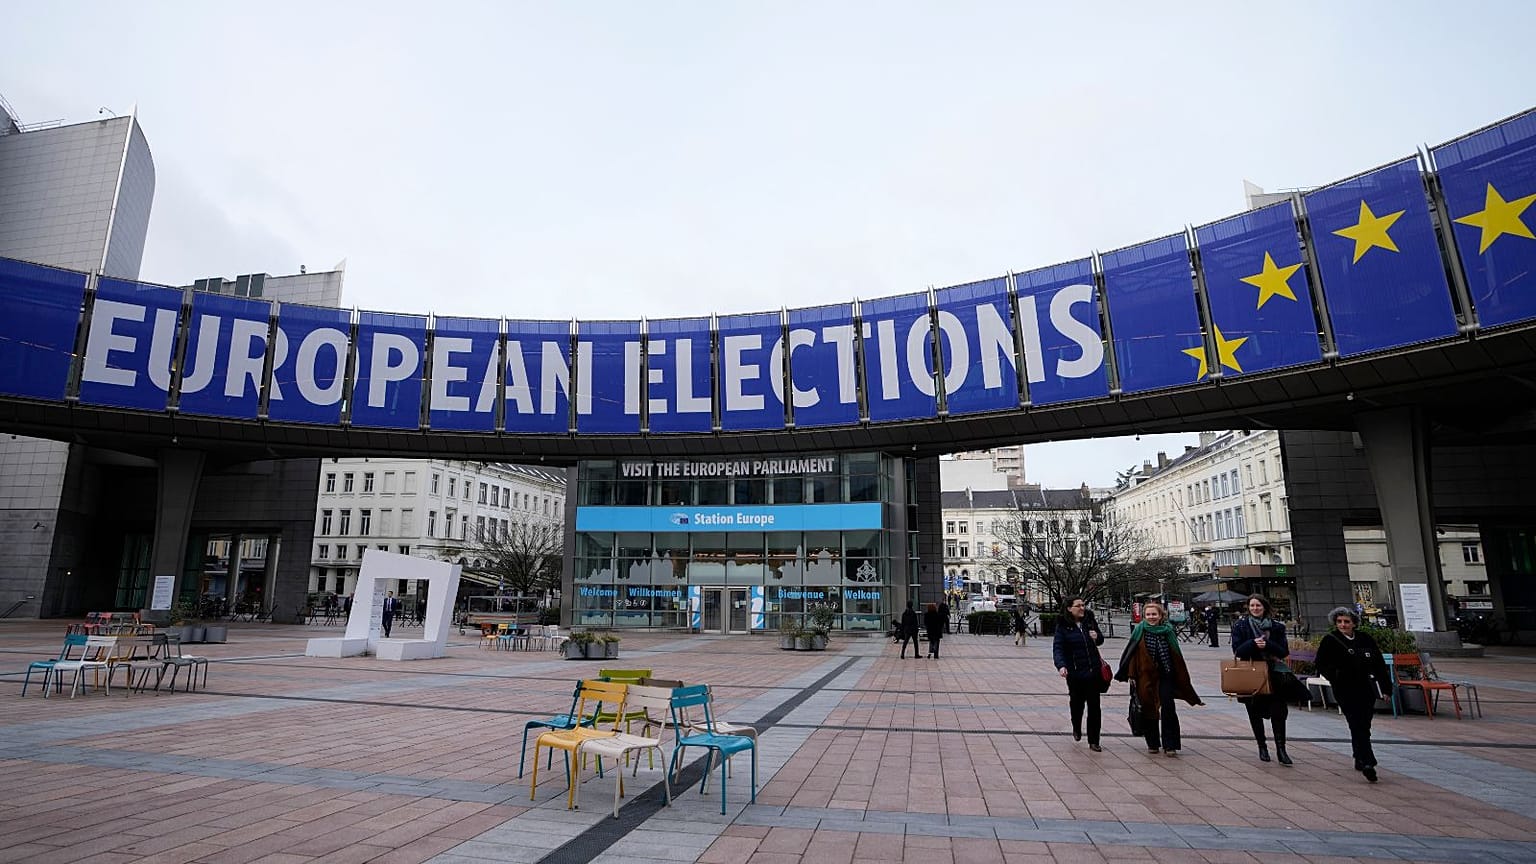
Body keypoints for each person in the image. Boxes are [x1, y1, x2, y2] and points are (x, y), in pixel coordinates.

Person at [1314, 606, 1392, 783]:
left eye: (1346, 622)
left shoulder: (1365, 639)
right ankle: (1368, 761)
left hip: (1366, 687)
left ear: (1354, 623)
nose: (1343, 625)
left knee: (1364, 723)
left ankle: (1359, 755)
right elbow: (1321, 663)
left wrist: (1386, 688)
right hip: (1345, 689)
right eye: (1339, 622)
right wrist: (1335, 677)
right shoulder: (1330, 640)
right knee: (1356, 722)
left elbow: (1379, 664)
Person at [1116, 600, 1203, 757]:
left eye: (1154, 614)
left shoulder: (1168, 630)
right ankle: (1153, 742)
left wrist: (1179, 674)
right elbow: (1132, 655)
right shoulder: (1139, 630)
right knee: (1149, 708)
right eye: (1148, 614)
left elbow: (1175, 654)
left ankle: (1170, 744)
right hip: (1145, 676)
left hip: (1166, 675)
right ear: (1144, 616)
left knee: (1168, 708)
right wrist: (1131, 675)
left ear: (1161, 615)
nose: (1151, 617)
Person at [1231, 594, 1294, 765]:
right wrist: (1253, 643)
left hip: (1274, 674)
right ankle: (1262, 746)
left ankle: (1281, 749)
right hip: (1251, 673)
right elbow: (1237, 650)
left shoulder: (1276, 627)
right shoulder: (1241, 626)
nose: (1255, 609)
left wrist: (1267, 645)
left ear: (1264, 607)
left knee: (1279, 712)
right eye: (1252, 606)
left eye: (1258, 605)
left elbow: (1283, 651)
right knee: (1254, 711)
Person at [1053, 597, 1106, 751]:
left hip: (1093, 671)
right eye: (1078, 606)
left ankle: (1094, 740)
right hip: (1075, 673)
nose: (1082, 608)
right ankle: (1076, 726)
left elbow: (1100, 639)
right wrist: (1061, 666)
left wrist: (1097, 637)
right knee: (1077, 704)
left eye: (1083, 605)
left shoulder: (1089, 620)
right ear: (1069, 608)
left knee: (1095, 706)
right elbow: (1058, 648)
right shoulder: (1063, 626)